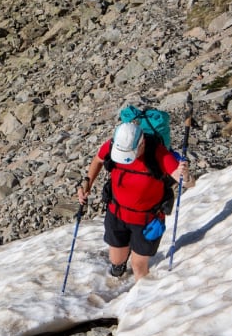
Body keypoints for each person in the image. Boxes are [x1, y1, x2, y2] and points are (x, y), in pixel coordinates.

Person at [76, 114, 193, 279]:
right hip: (117, 214)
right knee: (115, 260)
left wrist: (186, 176)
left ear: (142, 143)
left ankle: (141, 297)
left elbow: (189, 184)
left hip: (147, 220)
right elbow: (98, 160)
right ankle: (121, 261)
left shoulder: (159, 154)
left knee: (138, 266)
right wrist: (87, 182)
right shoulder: (112, 145)